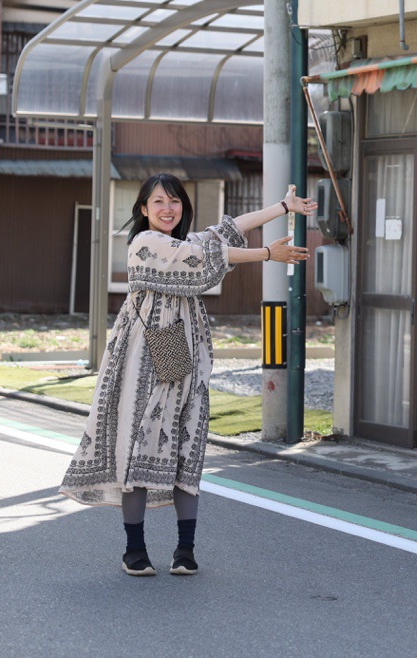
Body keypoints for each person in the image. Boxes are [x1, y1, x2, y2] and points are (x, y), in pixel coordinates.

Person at [60, 173, 316, 576]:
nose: (168, 209)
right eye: (159, 201)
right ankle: (134, 551)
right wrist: (268, 254)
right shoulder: (146, 243)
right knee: (136, 448)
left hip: (185, 361)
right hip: (143, 362)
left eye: (175, 201)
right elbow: (205, 258)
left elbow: (226, 231)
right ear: (143, 209)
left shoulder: (186, 242)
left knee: (186, 450)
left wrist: (283, 207)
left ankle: (185, 550)